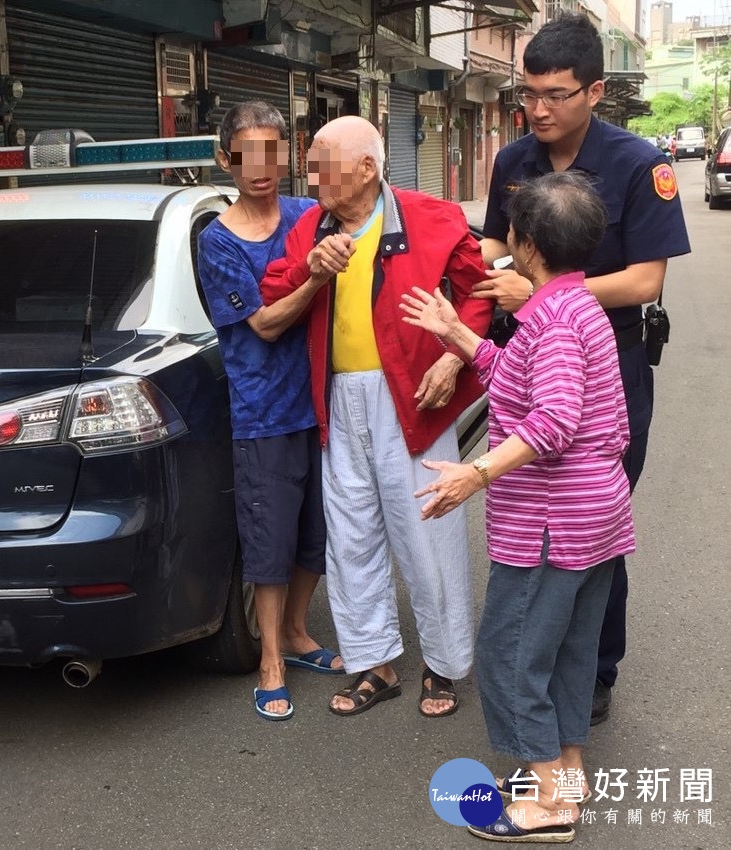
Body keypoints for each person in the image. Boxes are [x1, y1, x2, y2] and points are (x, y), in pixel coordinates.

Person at [402, 171, 635, 844]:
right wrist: (459, 336)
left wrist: (474, 472)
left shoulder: (556, 319)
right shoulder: (573, 306)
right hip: (593, 519)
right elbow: (521, 382)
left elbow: (554, 419)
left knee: (509, 653)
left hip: (552, 523)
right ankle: (563, 773)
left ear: (528, 245)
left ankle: (548, 803)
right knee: (564, 651)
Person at [473, 12, 690, 725]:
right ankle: (537, 661)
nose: (538, 108)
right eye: (528, 92)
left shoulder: (638, 164)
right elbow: (491, 250)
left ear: (596, 91)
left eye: (556, 94)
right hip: (525, 354)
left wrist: (542, 292)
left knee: (593, 519)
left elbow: (643, 281)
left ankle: (594, 668)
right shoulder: (513, 161)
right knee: (534, 512)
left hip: (608, 361)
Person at [260, 115, 492, 719]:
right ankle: (377, 664)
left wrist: (452, 353)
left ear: (366, 168)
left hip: (414, 397)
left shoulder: (431, 216)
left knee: (428, 531)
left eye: (323, 160)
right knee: (352, 534)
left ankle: (442, 665)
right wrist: (312, 270)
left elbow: (479, 290)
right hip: (339, 397)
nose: (311, 175)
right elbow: (274, 290)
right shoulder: (311, 228)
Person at [196, 101, 344, 722]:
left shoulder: (308, 214)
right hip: (264, 411)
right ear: (225, 158)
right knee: (270, 540)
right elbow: (262, 324)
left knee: (321, 532)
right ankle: (270, 661)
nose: (262, 167)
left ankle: (296, 632)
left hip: (324, 401)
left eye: (273, 151)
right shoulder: (217, 240)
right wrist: (313, 278)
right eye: (247, 153)